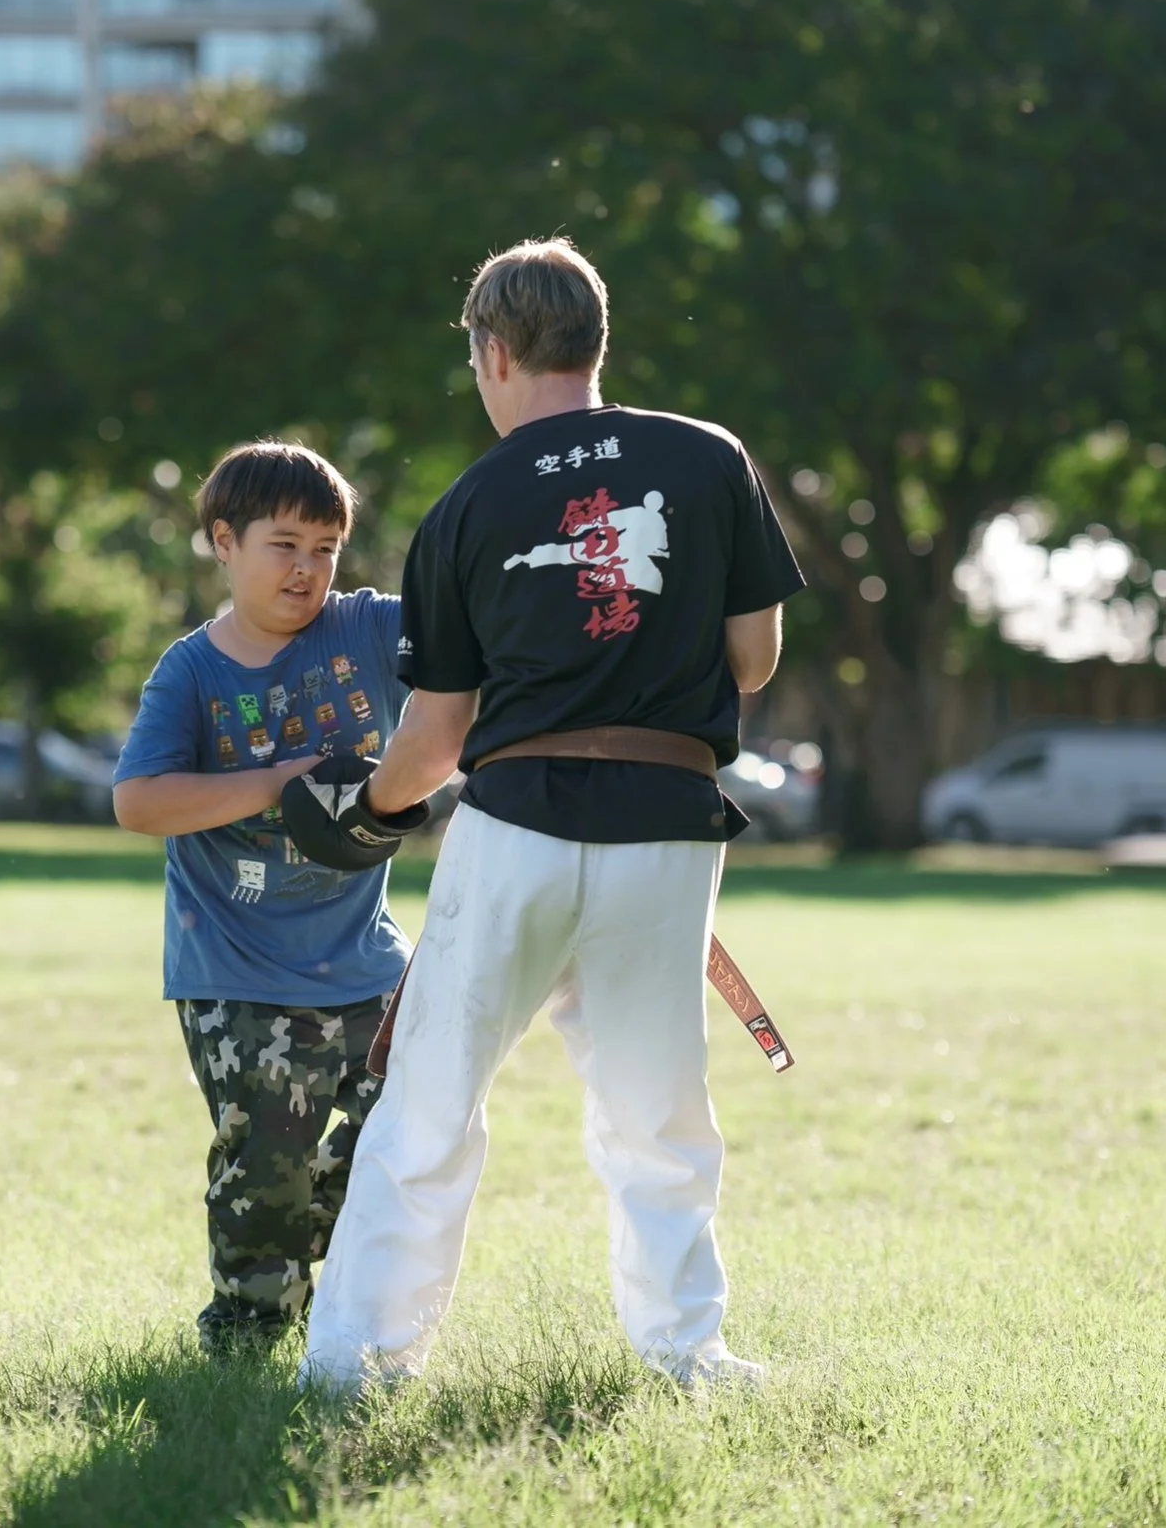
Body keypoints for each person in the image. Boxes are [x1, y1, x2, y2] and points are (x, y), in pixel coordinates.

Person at [293, 237, 805, 1394]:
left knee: (429, 1101)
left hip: (515, 825)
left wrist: (366, 811)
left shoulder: (467, 501)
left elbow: (433, 735)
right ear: (596, 340)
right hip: (668, 827)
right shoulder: (708, 456)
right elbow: (754, 660)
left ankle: (354, 1368)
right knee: (657, 1108)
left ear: (494, 349)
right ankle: (689, 1354)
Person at [112, 440, 412, 1354]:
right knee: (265, 1172)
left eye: (325, 547)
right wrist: (284, 779)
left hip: (369, 966)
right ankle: (245, 1336)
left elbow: (482, 624)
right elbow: (139, 801)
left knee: (415, 1136)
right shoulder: (192, 673)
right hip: (239, 977)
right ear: (223, 541)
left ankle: (317, 1264)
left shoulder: (365, 630)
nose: (308, 569)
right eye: (284, 544)